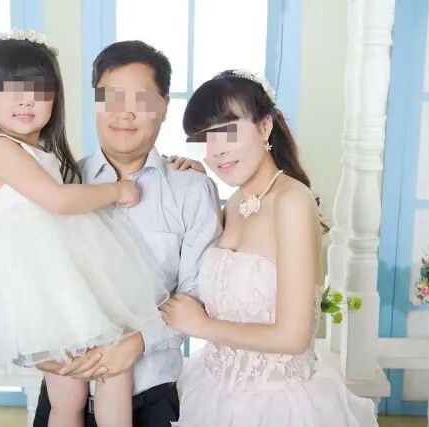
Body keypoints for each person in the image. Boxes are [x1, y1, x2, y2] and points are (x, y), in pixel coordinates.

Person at [0, 32, 173, 427]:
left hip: (58, 290)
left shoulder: (44, 155)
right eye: (11, 90)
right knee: (107, 372)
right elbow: (59, 201)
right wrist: (118, 189)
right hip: (42, 292)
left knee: (81, 390)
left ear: (55, 98)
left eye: (38, 91)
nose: (26, 101)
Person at [160, 70, 378, 426]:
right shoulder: (234, 203)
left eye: (227, 131)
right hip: (214, 391)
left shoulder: (293, 201)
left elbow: (293, 337)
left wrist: (202, 326)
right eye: (203, 138)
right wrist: (199, 189)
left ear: (264, 127)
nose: (216, 150)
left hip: (277, 403)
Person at [33, 40, 222, 427]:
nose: (124, 112)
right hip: (65, 392)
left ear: (164, 106)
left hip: (151, 397)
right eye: (112, 97)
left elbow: (197, 294)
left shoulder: (191, 191)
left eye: (142, 99)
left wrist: (136, 343)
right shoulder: (61, 184)